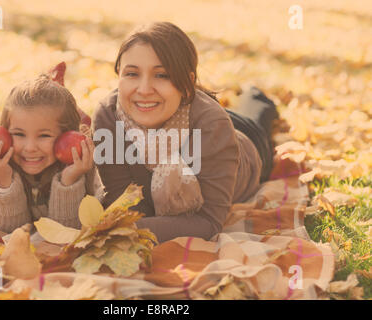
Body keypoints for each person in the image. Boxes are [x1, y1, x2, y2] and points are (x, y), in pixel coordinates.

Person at [92, 22, 278, 243]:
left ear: (188, 83)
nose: (143, 89)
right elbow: (123, 201)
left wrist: (122, 230)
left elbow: (207, 222)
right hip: (173, 107)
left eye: (161, 75)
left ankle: (256, 94)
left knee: (258, 114)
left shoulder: (213, 125)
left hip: (245, 143)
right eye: (132, 73)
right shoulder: (108, 116)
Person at [0, 74, 98, 233]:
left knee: (85, 124)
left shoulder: (87, 167)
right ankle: (51, 81)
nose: (30, 147)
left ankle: (54, 85)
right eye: (19, 134)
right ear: (4, 132)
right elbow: (8, 233)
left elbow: (64, 233)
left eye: (44, 135)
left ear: (67, 136)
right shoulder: (1, 161)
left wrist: (69, 181)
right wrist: (3, 179)